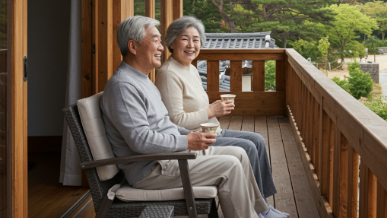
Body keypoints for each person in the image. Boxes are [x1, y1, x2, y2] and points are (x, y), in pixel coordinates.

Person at [100, 16, 287, 218]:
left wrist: (191, 136)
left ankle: (260, 210)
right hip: (153, 168)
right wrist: (187, 140)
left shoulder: (142, 80)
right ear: (133, 47)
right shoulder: (123, 87)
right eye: (155, 40)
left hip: (169, 157)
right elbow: (140, 140)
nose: (161, 48)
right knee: (231, 165)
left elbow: (165, 124)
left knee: (239, 154)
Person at [155, 16, 283, 215]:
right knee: (248, 146)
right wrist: (211, 111)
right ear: (171, 42)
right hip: (197, 139)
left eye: (196, 40)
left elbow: (195, 108)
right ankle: (260, 209)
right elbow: (175, 120)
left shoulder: (189, 68)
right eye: (185, 39)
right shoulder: (168, 73)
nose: (191, 45)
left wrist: (214, 109)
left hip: (212, 130)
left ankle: (262, 204)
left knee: (257, 140)